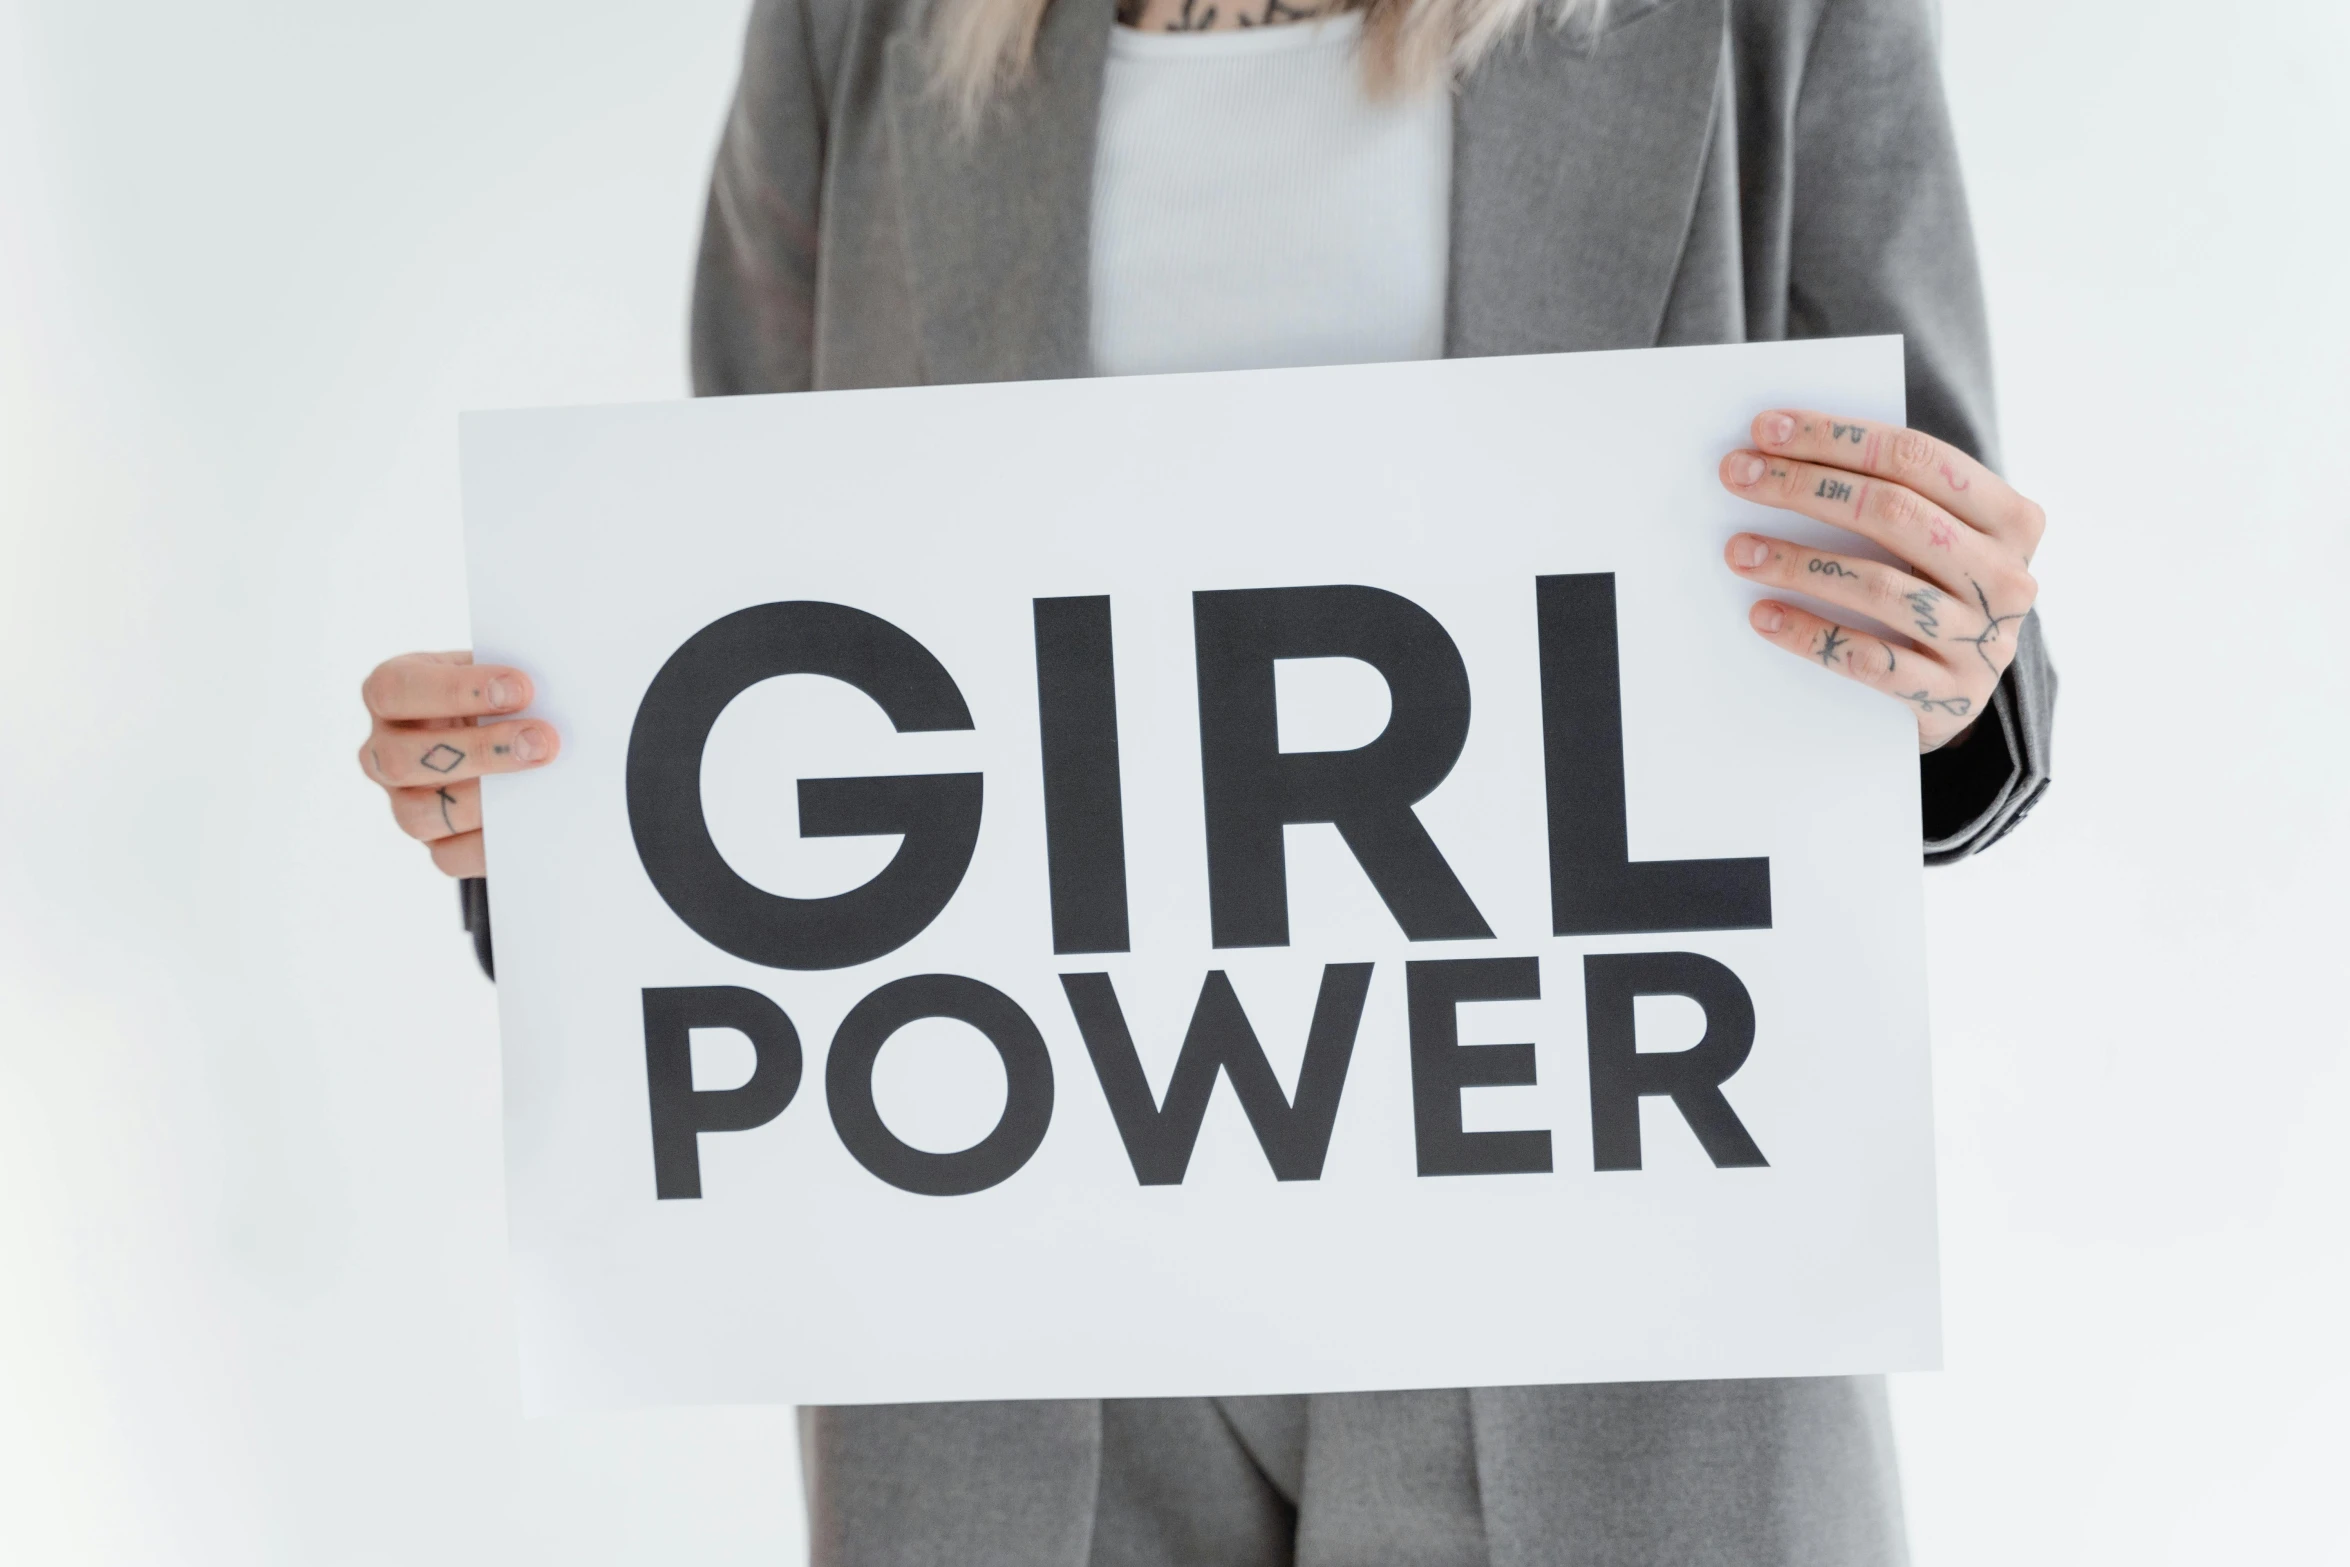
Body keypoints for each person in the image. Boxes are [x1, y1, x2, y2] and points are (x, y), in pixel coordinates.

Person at [358, 0, 2055, 1559]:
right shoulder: (856, 31)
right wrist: (569, 829)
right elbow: (757, 626)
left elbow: (1960, 618)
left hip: (1602, 1279)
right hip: (1025, 1320)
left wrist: (1939, 658)